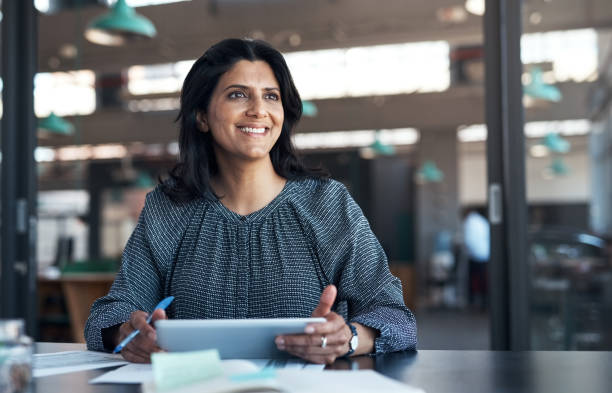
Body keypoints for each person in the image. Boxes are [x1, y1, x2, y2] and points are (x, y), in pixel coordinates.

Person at [85, 38, 417, 364]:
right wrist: (127, 335)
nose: (259, 110)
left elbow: (397, 319)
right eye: (238, 94)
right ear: (201, 116)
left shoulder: (328, 205)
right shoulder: (167, 210)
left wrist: (350, 339)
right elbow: (109, 314)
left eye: (271, 97)